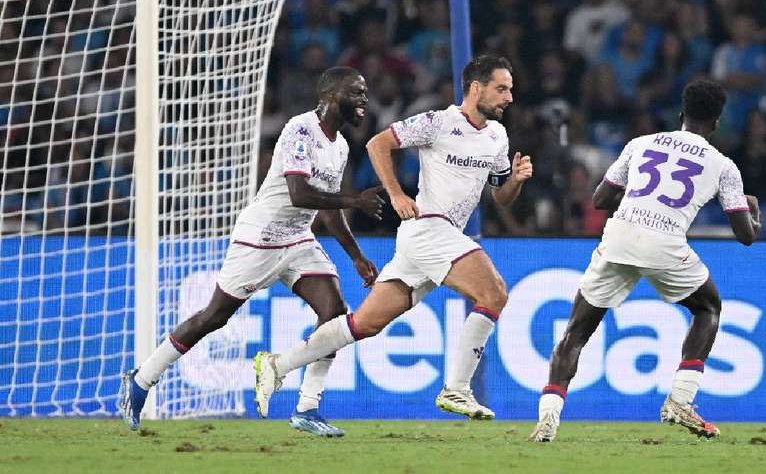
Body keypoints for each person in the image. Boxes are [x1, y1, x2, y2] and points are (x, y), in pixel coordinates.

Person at [253, 54, 533, 420]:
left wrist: (514, 180)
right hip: (429, 227)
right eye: (501, 88)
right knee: (493, 292)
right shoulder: (438, 122)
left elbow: (500, 196)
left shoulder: (498, 136)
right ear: (476, 88)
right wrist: (397, 193)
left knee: (364, 324)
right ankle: (458, 389)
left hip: (432, 239)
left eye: (510, 89)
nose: (509, 97)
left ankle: (278, 364)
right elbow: (377, 144)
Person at [119, 67, 385, 437]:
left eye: (365, 92)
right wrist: (355, 200)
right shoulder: (301, 130)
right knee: (213, 317)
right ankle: (142, 378)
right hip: (259, 238)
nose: (364, 99)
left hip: (298, 240)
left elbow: (327, 208)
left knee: (334, 312)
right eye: (356, 92)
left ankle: (307, 408)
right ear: (329, 94)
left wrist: (355, 254)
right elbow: (299, 194)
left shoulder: (339, 146)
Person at [528, 79, 761, 442]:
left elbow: (600, 199)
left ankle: (548, 419)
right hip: (665, 241)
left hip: (620, 233)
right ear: (716, 122)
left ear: (681, 114)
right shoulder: (723, 166)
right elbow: (746, 235)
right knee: (708, 308)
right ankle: (680, 400)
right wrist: (753, 211)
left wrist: (639, 204)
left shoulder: (642, 144)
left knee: (576, 331)